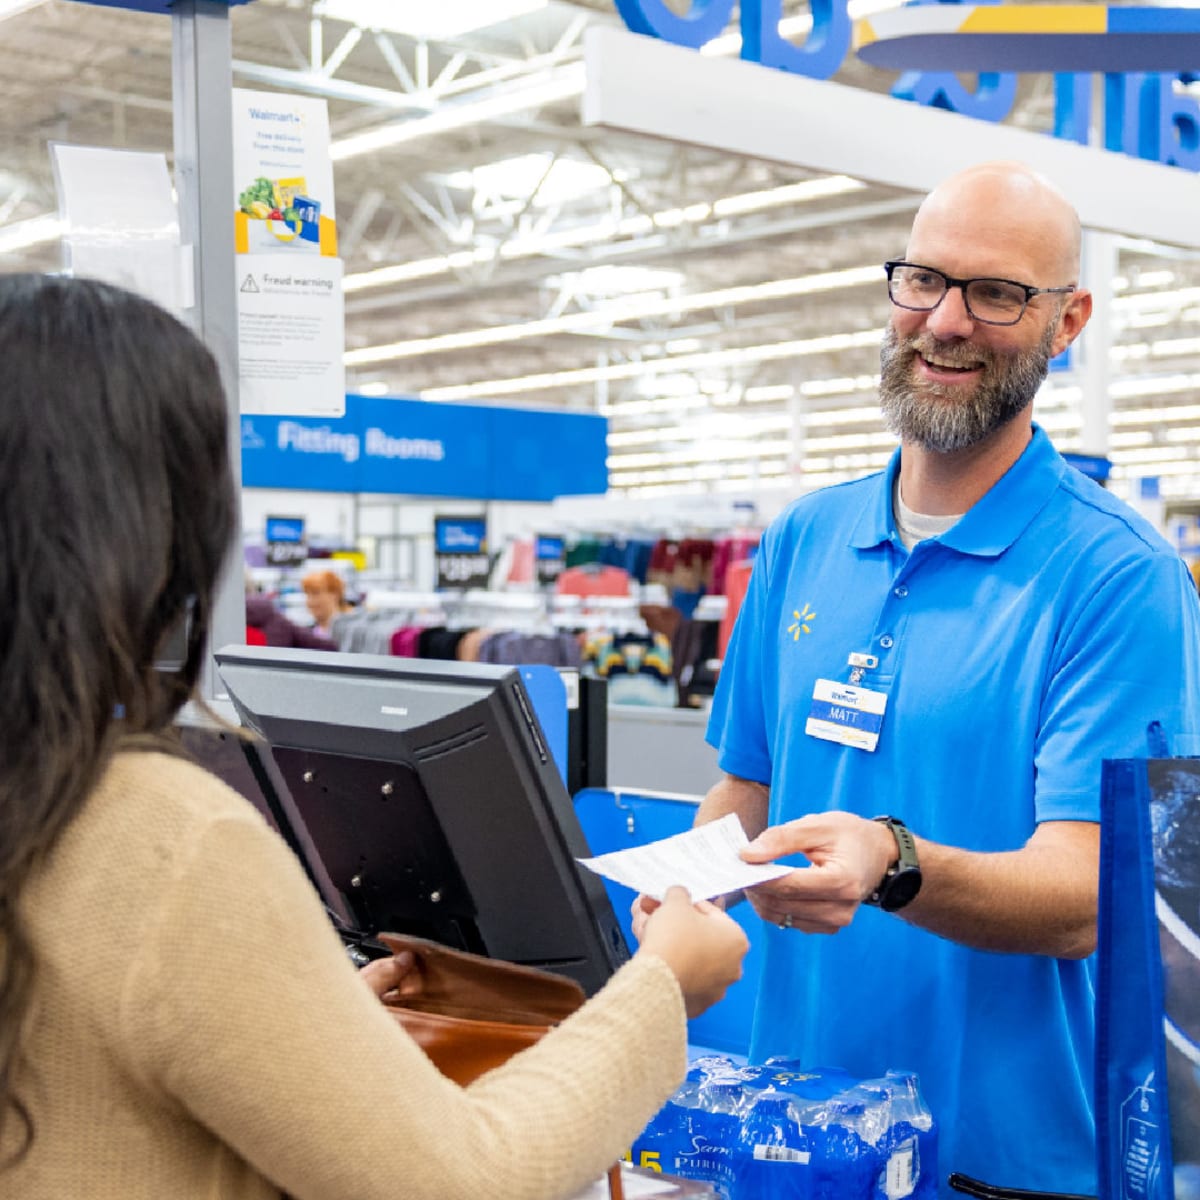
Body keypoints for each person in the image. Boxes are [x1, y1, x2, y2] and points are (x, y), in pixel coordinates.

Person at [0, 272, 750, 1199]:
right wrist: (663, 991)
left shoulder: (39, 795)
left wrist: (302, 1033)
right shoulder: (173, 843)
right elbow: (466, 1182)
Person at [641, 161, 1200, 1195]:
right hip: (792, 1129)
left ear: (1066, 322)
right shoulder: (808, 537)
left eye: (996, 294)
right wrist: (690, 881)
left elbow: (1089, 895)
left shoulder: (1120, 576)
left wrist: (892, 861)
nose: (945, 321)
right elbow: (748, 788)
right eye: (924, 281)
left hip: (999, 1158)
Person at [301, 567, 351, 636]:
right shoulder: (305, 634)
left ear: (334, 594)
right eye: (307, 594)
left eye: (315, 593)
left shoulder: (350, 632)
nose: (310, 601)